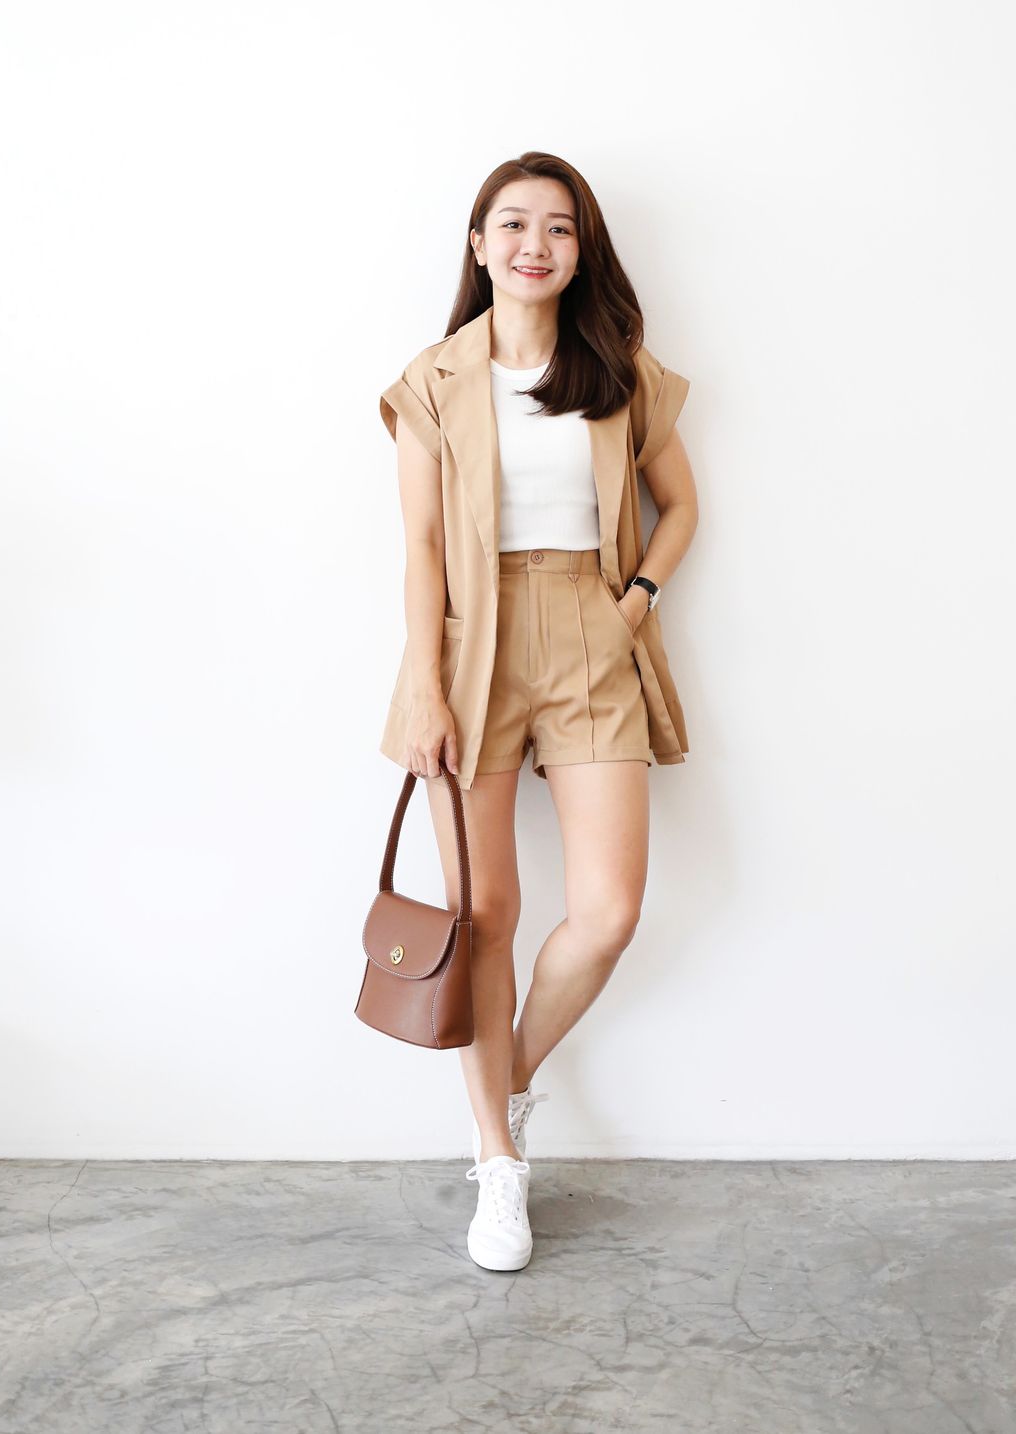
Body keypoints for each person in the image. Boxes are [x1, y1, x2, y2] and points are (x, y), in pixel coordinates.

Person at [377, 151, 698, 1271]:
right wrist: (426, 684)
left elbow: (680, 504)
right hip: (469, 642)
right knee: (485, 915)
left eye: (558, 228)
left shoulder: (615, 367)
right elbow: (421, 547)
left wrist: (633, 603)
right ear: (478, 246)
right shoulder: (433, 379)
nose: (534, 244)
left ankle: (500, 1089)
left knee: (607, 910)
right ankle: (498, 1167)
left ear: (580, 251)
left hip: (592, 630)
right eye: (512, 224)